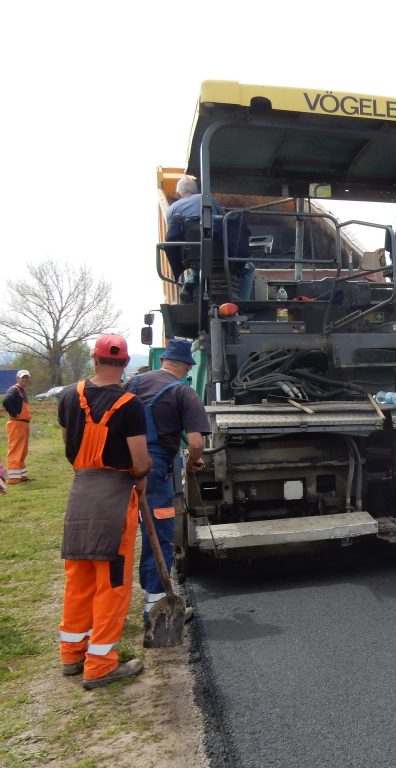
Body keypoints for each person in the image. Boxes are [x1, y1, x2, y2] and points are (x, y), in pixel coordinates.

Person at [57, 334, 151, 689]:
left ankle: (71, 655)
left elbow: (69, 442)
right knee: (111, 582)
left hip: (81, 492)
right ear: (125, 364)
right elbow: (139, 459)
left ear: (94, 360)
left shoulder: (69, 395)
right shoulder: (130, 404)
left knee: (78, 577)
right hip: (113, 496)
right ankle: (100, 666)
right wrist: (141, 475)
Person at [125, 338, 210, 627]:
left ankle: (110, 610)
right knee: (158, 535)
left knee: (120, 535)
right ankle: (156, 609)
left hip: (121, 466)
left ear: (163, 360)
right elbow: (196, 442)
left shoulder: (134, 384)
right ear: (188, 366)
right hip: (155, 470)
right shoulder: (184, 393)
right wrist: (193, 460)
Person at [165, 175, 254, 300]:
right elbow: (225, 222)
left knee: (198, 266)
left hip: (192, 258)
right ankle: (243, 303)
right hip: (219, 255)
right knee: (249, 269)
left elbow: (173, 235)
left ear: (178, 195)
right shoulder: (208, 200)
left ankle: (188, 284)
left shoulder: (171, 210)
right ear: (196, 192)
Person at [4, 369, 33, 484]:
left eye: (26, 377)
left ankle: (21, 476)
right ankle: (14, 478)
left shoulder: (21, 391)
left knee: (22, 451)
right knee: (16, 450)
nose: (25, 379)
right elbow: (6, 401)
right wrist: (15, 413)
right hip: (17, 423)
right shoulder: (14, 389)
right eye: (23, 377)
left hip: (23, 424)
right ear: (17, 379)